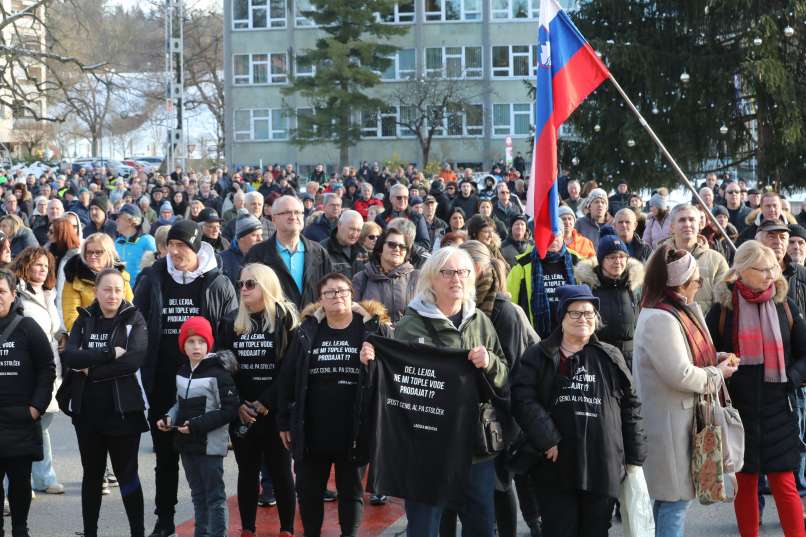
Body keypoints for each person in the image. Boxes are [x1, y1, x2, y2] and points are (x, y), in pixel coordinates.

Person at [360, 247, 508, 537]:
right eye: (448, 272)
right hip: (425, 447)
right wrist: (371, 363)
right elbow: (392, 380)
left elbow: (504, 376)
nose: (456, 279)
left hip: (474, 446)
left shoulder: (481, 321)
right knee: (425, 526)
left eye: (462, 272)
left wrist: (490, 363)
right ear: (431, 279)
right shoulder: (411, 323)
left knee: (481, 524)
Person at [510, 284, 646, 537]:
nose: (583, 319)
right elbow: (522, 397)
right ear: (561, 317)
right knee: (559, 529)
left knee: (596, 530)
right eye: (575, 313)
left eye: (589, 313)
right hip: (555, 465)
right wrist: (546, 436)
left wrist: (635, 458)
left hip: (602, 464)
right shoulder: (539, 355)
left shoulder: (610, 356)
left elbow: (630, 406)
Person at [134, 220, 238, 537]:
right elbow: (138, 325)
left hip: (205, 388)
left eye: (183, 246)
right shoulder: (152, 278)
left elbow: (230, 334)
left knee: (204, 463)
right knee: (165, 458)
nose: (176, 252)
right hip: (164, 383)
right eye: (172, 245)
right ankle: (164, 521)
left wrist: (226, 375)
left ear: (196, 248)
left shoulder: (218, 282)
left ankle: (208, 527)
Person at [632, 246, 738, 537]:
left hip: (678, 421)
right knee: (675, 502)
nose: (699, 286)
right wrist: (718, 374)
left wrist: (713, 360)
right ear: (680, 284)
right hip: (670, 426)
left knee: (670, 501)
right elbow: (679, 374)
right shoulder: (662, 318)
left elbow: (685, 360)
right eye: (696, 281)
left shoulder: (675, 310)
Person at [277, 273, 392, 537]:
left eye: (342, 291)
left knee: (351, 491)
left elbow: (390, 373)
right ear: (321, 300)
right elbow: (287, 378)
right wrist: (284, 420)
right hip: (312, 428)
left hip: (354, 427)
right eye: (329, 293)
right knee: (308, 491)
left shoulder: (372, 330)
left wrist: (372, 362)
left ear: (352, 295)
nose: (337, 297)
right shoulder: (306, 331)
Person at [705, 241, 806, 536]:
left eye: (774, 267)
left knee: (785, 484)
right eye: (764, 269)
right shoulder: (723, 309)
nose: (772, 274)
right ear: (742, 271)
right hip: (738, 411)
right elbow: (705, 355)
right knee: (745, 484)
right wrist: (722, 365)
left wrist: (793, 377)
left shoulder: (785, 304)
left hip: (779, 407)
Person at [460, 241, 540, 537]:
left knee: (501, 483)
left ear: (478, 269)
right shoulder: (466, 307)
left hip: (504, 411)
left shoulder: (504, 310)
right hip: (476, 410)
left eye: (462, 267)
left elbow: (514, 370)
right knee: (486, 486)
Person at [60, 268, 149, 537]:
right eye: (107, 290)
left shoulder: (134, 318)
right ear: (96, 291)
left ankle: (137, 531)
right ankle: (90, 531)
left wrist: (92, 369)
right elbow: (72, 358)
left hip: (123, 412)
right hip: (88, 412)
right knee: (92, 476)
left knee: (127, 475)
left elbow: (133, 361)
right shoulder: (84, 319)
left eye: (118, 290)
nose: (112, 295)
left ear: (124, 292)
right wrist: (110, 353)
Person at [219, 264, 297, 537]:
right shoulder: (231, 321)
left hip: (275, 411)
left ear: (266, 285)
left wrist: (266, 402)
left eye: (250, 284)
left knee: (281, 471)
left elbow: (290, 369)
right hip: (243, 411)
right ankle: (248, 529)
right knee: (247, 471)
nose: (243, 289)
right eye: (241, 284)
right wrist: (237, 403)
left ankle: (287, 529)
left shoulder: (286, 319)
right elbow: (223, 368)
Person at [156, 317, 239, 537]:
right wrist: (169, 418)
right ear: (183, 344)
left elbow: (229, 410)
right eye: (190, 341)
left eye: (201, 342)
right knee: (197, 495)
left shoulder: (219, 373)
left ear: (209, 344)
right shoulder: (183, 371)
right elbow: (178, 403)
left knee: (215, 497)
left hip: (210, 446)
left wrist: (195, 426)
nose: (196, 347)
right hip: (186, 445)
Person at [0, 268, 56, 537]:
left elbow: (47, 367)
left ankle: (20, 529)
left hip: (21, 419)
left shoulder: (28, 327)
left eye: (1, 291)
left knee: (20, 482)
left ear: (13, 294)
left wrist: (36, 407)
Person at [244, 196, 332, 310]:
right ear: (273, 219)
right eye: (287, 212)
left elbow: (329, 290)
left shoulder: (319, 252)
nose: (293, 217)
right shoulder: (257, 254)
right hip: (273, 324)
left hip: (312, 324)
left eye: (298, 212)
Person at [574, 231, 643, 369]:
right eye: (611, 257)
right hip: (600, 357)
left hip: (632, 357)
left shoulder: (635, 286)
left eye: (622, 257)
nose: (618, 261)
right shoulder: (588, 288)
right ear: (601, 261)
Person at [659, 203, 729, 314]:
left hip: (705, 327)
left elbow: (724, 303)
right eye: (682, 220)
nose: (687, 224)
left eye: (692, 220)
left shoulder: (717, 260)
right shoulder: (658, 258)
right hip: (669, 325)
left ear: (699, 224)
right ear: (672, 227)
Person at [507, 234, 578, 339]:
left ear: (563, 234)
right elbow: (510, 305)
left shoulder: (578, 262)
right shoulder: (522, 265)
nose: (553, 238)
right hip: (535, 339)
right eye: (548, 234)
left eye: (556, 233)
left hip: (573, 335)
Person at [62, 233, 134, 331]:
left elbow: (129, 311)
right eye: (89, 252)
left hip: (118, 335)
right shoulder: (74, 278)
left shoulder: (122, 277)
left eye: (98, 252)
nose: (93, 256)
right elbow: (71, 317)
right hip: (86, 338)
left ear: (109, 253)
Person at [353, 226, 419, 325]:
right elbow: (353, 315)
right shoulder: (361, 278)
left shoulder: (417, 278)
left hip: (408, 338)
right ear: (380, 249)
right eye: (392, 245)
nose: (397, 249)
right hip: (372, 338)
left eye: (402, 246)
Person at [374, 184, 431, 249]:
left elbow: (425, 244)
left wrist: (403, 245)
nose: (403, 200)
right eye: (399, 197)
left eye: (406, 197)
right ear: (390, 199)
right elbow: (375, 242)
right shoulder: (380, 218)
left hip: (408, 257)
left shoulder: (417, 218)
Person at [114, 204, 156, 284]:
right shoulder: (117, 242)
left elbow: (155, 271)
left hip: (140, 293)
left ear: (130, 221)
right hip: (121, 292)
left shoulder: (147, 241)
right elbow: (116, 269)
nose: (116, 221)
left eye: (119, 218)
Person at [220, 214, 264, 289]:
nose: (260, 239)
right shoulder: (222, 260)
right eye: (254, 235)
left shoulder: (266, 258)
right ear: (241, 237)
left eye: (261, 235)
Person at [320, 210, 366, 278]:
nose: (354, 234)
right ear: (339, 224)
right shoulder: (322, 249)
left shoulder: (362, 252)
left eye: (358, 230)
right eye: (352, 229)